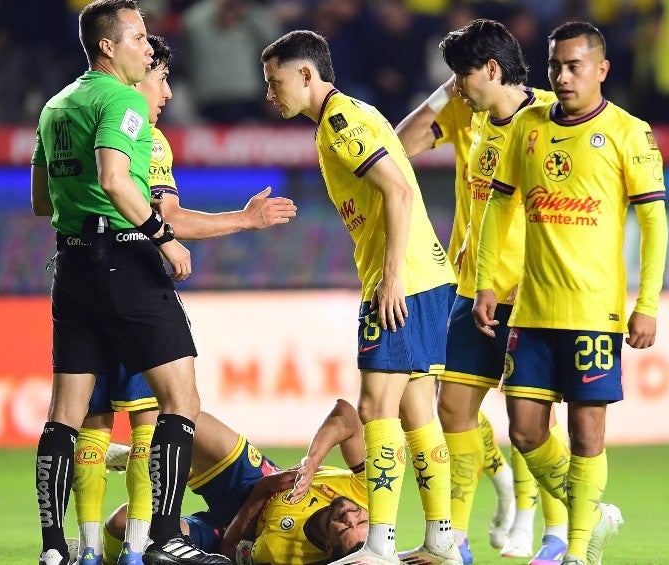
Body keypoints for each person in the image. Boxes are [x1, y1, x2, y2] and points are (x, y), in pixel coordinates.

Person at [68, 33, 297, 565]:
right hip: (135, 287)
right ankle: (145, 546)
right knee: (164, 412)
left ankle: (82, 551)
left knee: (89, 423)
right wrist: (244, 219)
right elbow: (166, 219)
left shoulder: (82, 121)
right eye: (162, 78)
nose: (168, 92)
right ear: (134, 77)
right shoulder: (145, 139)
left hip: (81, 279)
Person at [29, 2, 228, 564]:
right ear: (108, 47)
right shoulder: (122, 100)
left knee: (64, 416)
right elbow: (115, 180)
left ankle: (54, 549)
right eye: (138, 37)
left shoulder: (55, 106)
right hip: (125, 259)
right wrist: (164, 238)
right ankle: (165, 538)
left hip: (72, 266)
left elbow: (42, 201)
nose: (147, 46)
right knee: (180, 400)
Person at [261, 30, 460, 565]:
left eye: (275, 82)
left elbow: (398, 190)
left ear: (307, 75)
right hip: (426, 276)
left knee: (375, 406)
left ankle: (380, 544)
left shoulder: (339, 123)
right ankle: (442, 540)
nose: (270, 94)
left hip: (402, 279)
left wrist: (390, 278)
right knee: (416, 409)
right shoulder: (354, 113)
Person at [473, 21, 668, 565]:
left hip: (593, 310)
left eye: (574, 66)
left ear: (601, 69)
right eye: (555, 66)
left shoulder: (629, 132)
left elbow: (655, 224)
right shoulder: (527, 125)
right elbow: (499, 204)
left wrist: (647, 304)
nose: (562, 77)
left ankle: (577, 551)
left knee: (586, 435)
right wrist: (485, 280)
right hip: (532, 309)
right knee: (524, 431)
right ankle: (592, 511)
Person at [398, 19, 570, 565]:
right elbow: (399, 146)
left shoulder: (552, 116)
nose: (458, 85)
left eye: (462, 74)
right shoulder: (463, 110)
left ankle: (559, 533)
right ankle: (455, 541)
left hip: (534, 292)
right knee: (453, 409)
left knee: (533, 421)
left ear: (492, 69)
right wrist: (445, 91)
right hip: (472, 288)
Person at [93, 399, 369, 565]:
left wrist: (263, 491)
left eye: (345, 528)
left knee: (122, 524)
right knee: (182, 414)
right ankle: (155, 458)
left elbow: (230, 550)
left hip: (231, 528)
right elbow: (346, 415)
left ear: (329, 547)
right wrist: (313, 459)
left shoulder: (283, 555)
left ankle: (104, 557)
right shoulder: (367, 494)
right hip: (253, 479)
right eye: (362, 521)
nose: (350, 517)